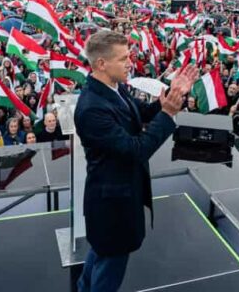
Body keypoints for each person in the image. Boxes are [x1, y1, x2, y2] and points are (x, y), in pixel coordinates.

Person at [74, 30, 198, 292]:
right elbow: (136, 150)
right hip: (112, 208)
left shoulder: (112, 89)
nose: (131, 62)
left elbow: (138, 113)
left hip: (114, 201)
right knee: (109, 271)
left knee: (100, 255)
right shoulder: (92, 108)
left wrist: (170, 96)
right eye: (123, 58)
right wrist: (167, 114)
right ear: (101, 64)